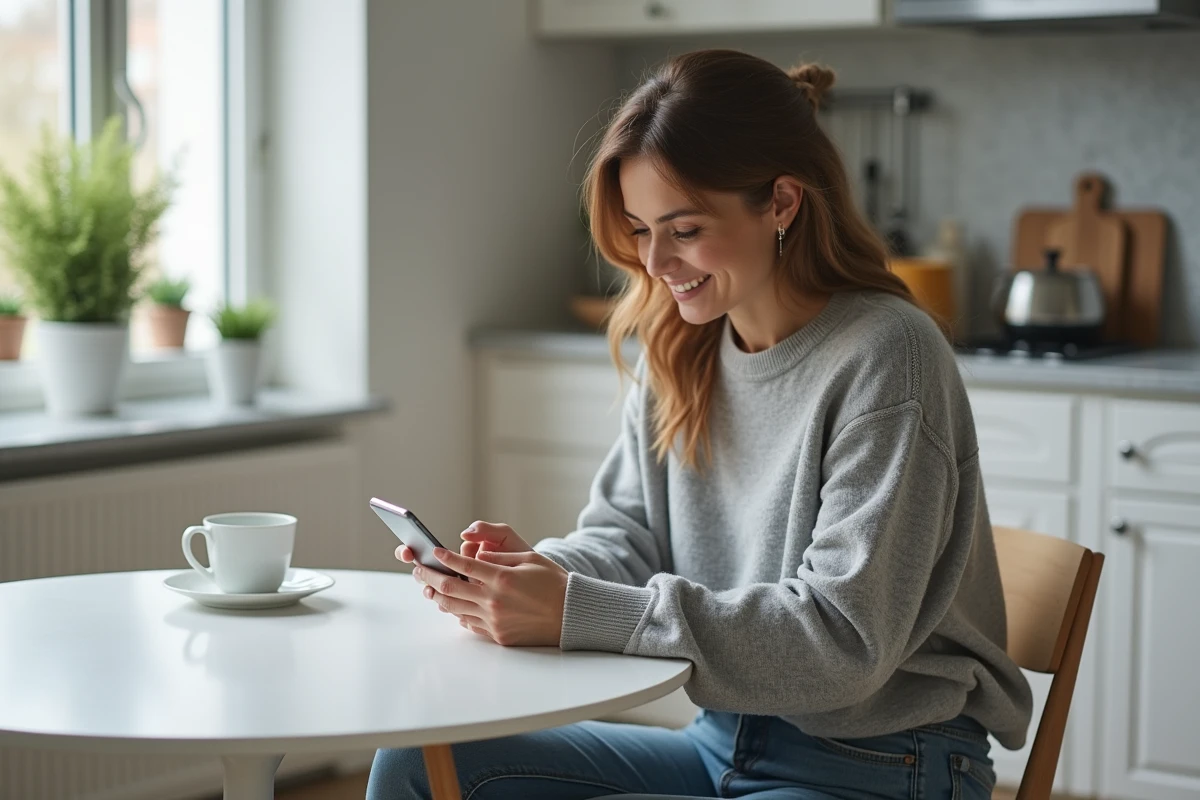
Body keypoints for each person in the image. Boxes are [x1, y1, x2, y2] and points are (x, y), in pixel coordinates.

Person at [367, 48, 1032, 800]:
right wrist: (532, 579)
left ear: (782, 203)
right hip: (724, 738)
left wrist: (573, 610)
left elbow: (842, 641)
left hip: (882, 764)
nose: (655, 262)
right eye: (639, 229)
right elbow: (627, 539)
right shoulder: (682, 345)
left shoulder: (888, 357)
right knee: (418, 762)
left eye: (683, 230)